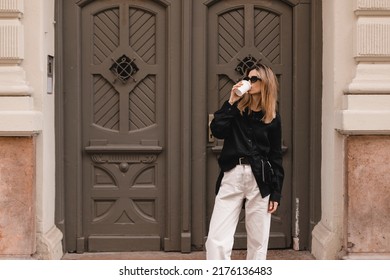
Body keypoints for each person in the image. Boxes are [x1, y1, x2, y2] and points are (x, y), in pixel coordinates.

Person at [205, 63, 284, 260]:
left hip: (261, 179)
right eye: (248, 78)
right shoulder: (237, 110)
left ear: (266, 83)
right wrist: (231, 101)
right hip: (232, 174)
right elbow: (217, 130)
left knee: (258, 241)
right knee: (217, 238)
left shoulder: (272, 117)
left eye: (254, 79)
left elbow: (275, 156)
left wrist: (276, 192)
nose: (249, 82)